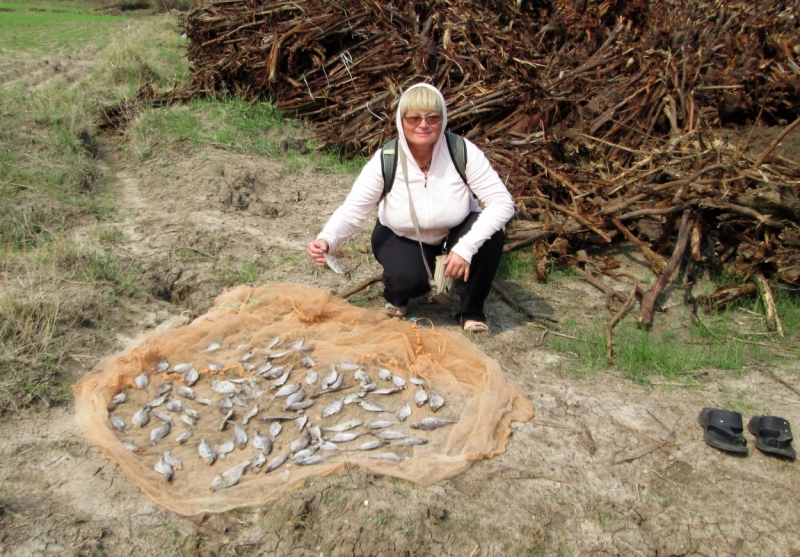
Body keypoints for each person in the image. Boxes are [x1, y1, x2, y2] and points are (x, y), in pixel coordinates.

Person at [306, 83, 514, 332]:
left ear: (443, 119)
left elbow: (502, 202)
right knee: (408, 280)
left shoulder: (462, 151)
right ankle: (397, 292)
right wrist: (327, 239)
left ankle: (471, 311)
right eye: (414, 117)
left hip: (454, 231)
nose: (423, 125)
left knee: (490, 238)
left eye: (432, 118)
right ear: (401, 121)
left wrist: (465, 249)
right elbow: (352, 210)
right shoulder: (386, 159)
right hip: (401, 233)